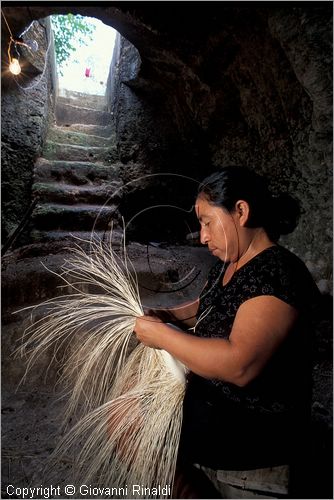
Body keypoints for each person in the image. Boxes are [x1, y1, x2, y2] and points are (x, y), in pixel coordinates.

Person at [134, 166, 321, 498]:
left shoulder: (278, 274)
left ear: (241, 211)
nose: (202, 236)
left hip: (254, 443)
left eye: (207, 222)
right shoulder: (231, 264)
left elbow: (240, 364)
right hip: (212, 421)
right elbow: (205, 308)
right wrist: (166, 316)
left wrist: (162, 336)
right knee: (127, 421)